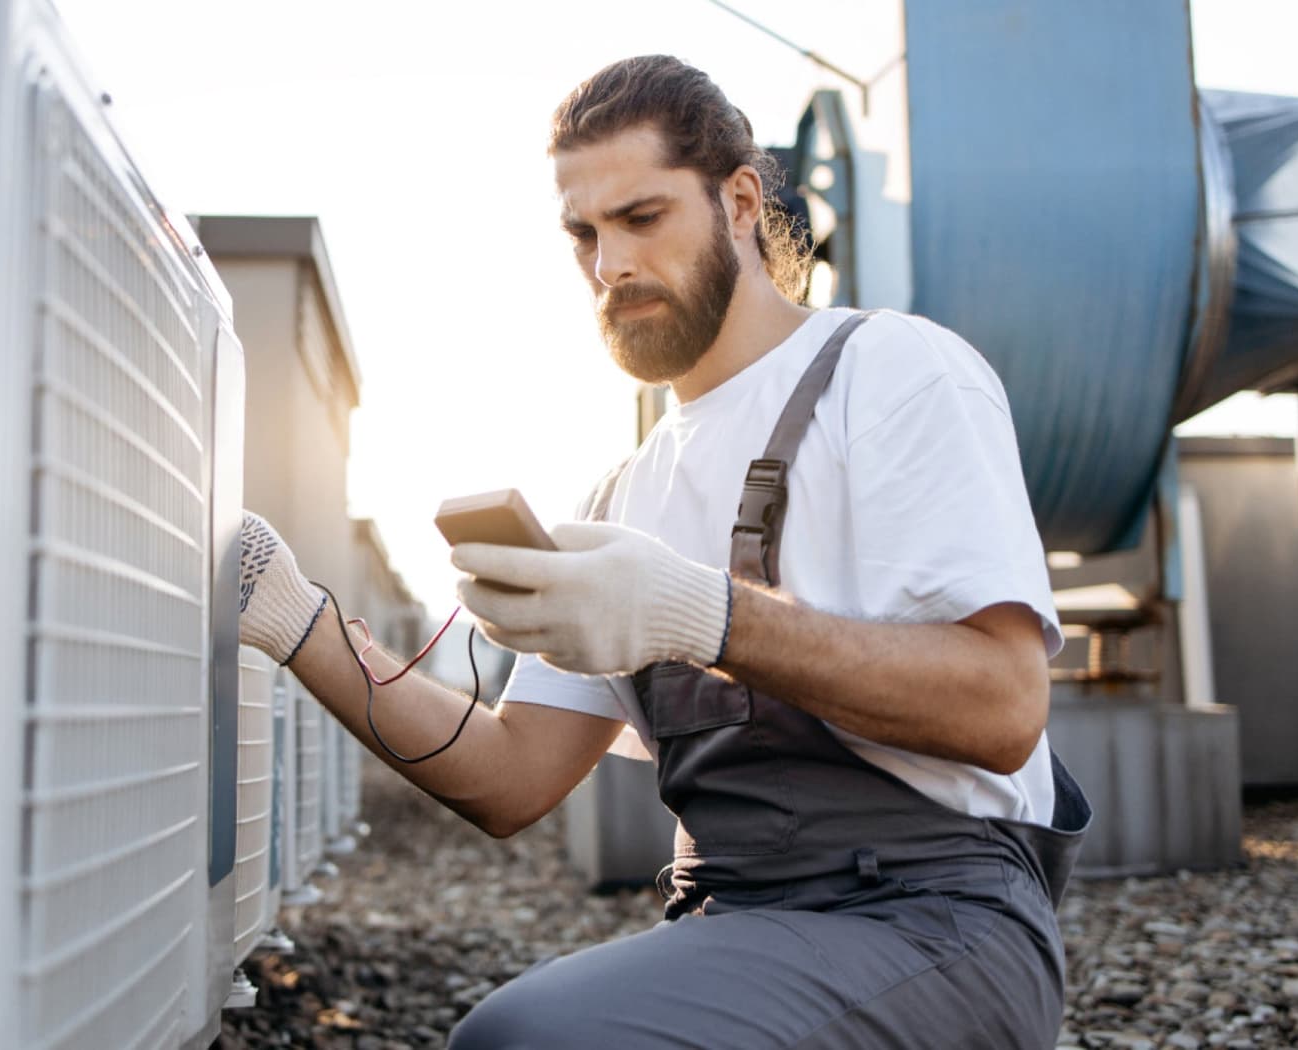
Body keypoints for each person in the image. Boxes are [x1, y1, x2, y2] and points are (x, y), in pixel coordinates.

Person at [225, 54, 1087, 1048]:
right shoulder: (623, 495)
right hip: (736, 923)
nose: (608, 265)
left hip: (940, 923)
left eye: (642, 219)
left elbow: (1005, 708)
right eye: (582, 235)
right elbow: (511, 779)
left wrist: (698, 613)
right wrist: (300, 623)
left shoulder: (893, 373)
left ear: (739, 201)